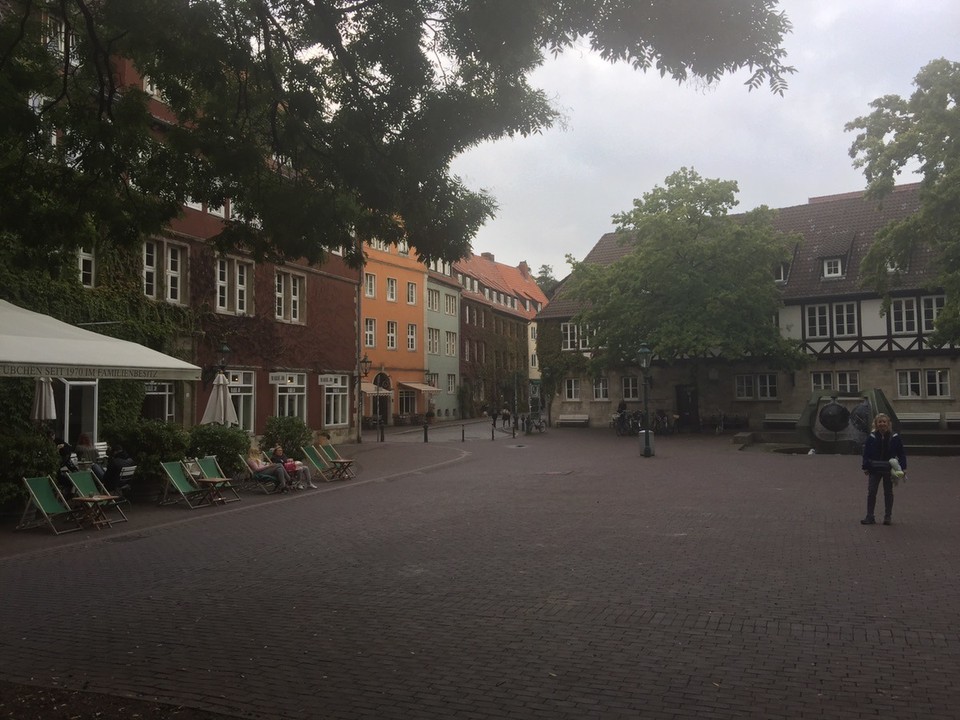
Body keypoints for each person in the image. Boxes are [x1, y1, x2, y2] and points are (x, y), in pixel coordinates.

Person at [860, 413, 906, 526]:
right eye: (880, 422)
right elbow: (866, 453)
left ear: (888, 423)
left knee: (888, 493)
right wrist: (865, 466)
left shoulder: (895, 437)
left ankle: (887, 516)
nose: (882, 424)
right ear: (876, 424)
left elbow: (901, 453)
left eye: (884, 422)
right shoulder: (871, 437)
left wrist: (903, 467)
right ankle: (870, 516)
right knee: (871, 492)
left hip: (888, 468)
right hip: (874, 468)